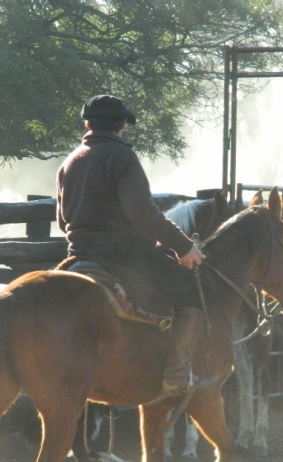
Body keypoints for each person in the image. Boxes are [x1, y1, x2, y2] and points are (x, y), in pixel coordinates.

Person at [56, 94, 215, 398]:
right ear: (122, 124)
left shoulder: (69, 162)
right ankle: (176, 376)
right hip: (124, 257)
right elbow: (142, 213)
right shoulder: (122, 157)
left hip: (78, 255)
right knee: (198, 288)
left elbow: (64, 223)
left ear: (87, 124)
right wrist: (184, 247)